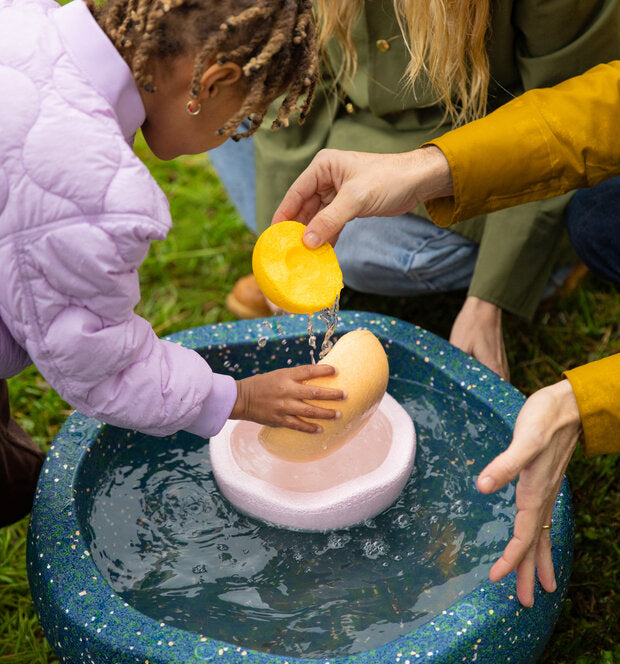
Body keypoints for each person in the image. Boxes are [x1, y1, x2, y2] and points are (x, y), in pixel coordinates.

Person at [270, 59, 620, 608]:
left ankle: (547, 263)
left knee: (590, 219)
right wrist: (429, 169)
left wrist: (582, 404)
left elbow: (553, 75)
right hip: (396, 137)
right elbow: (603, 103)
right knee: (601, 217)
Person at [0, 0, 346, 528]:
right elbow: (102, 366)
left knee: (18, 479)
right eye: (244, 115)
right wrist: (237, 396)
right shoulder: (91, 194)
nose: (236, 133)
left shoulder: (21, 15)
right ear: (211, 81)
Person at [213, 0, 619, 382]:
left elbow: (567, 126)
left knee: (365, 253)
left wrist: (490, 300)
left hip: (481, 142)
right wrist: (281, 251)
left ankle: (550, 263)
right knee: (220, 107)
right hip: (347, 127)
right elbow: (294, 81)